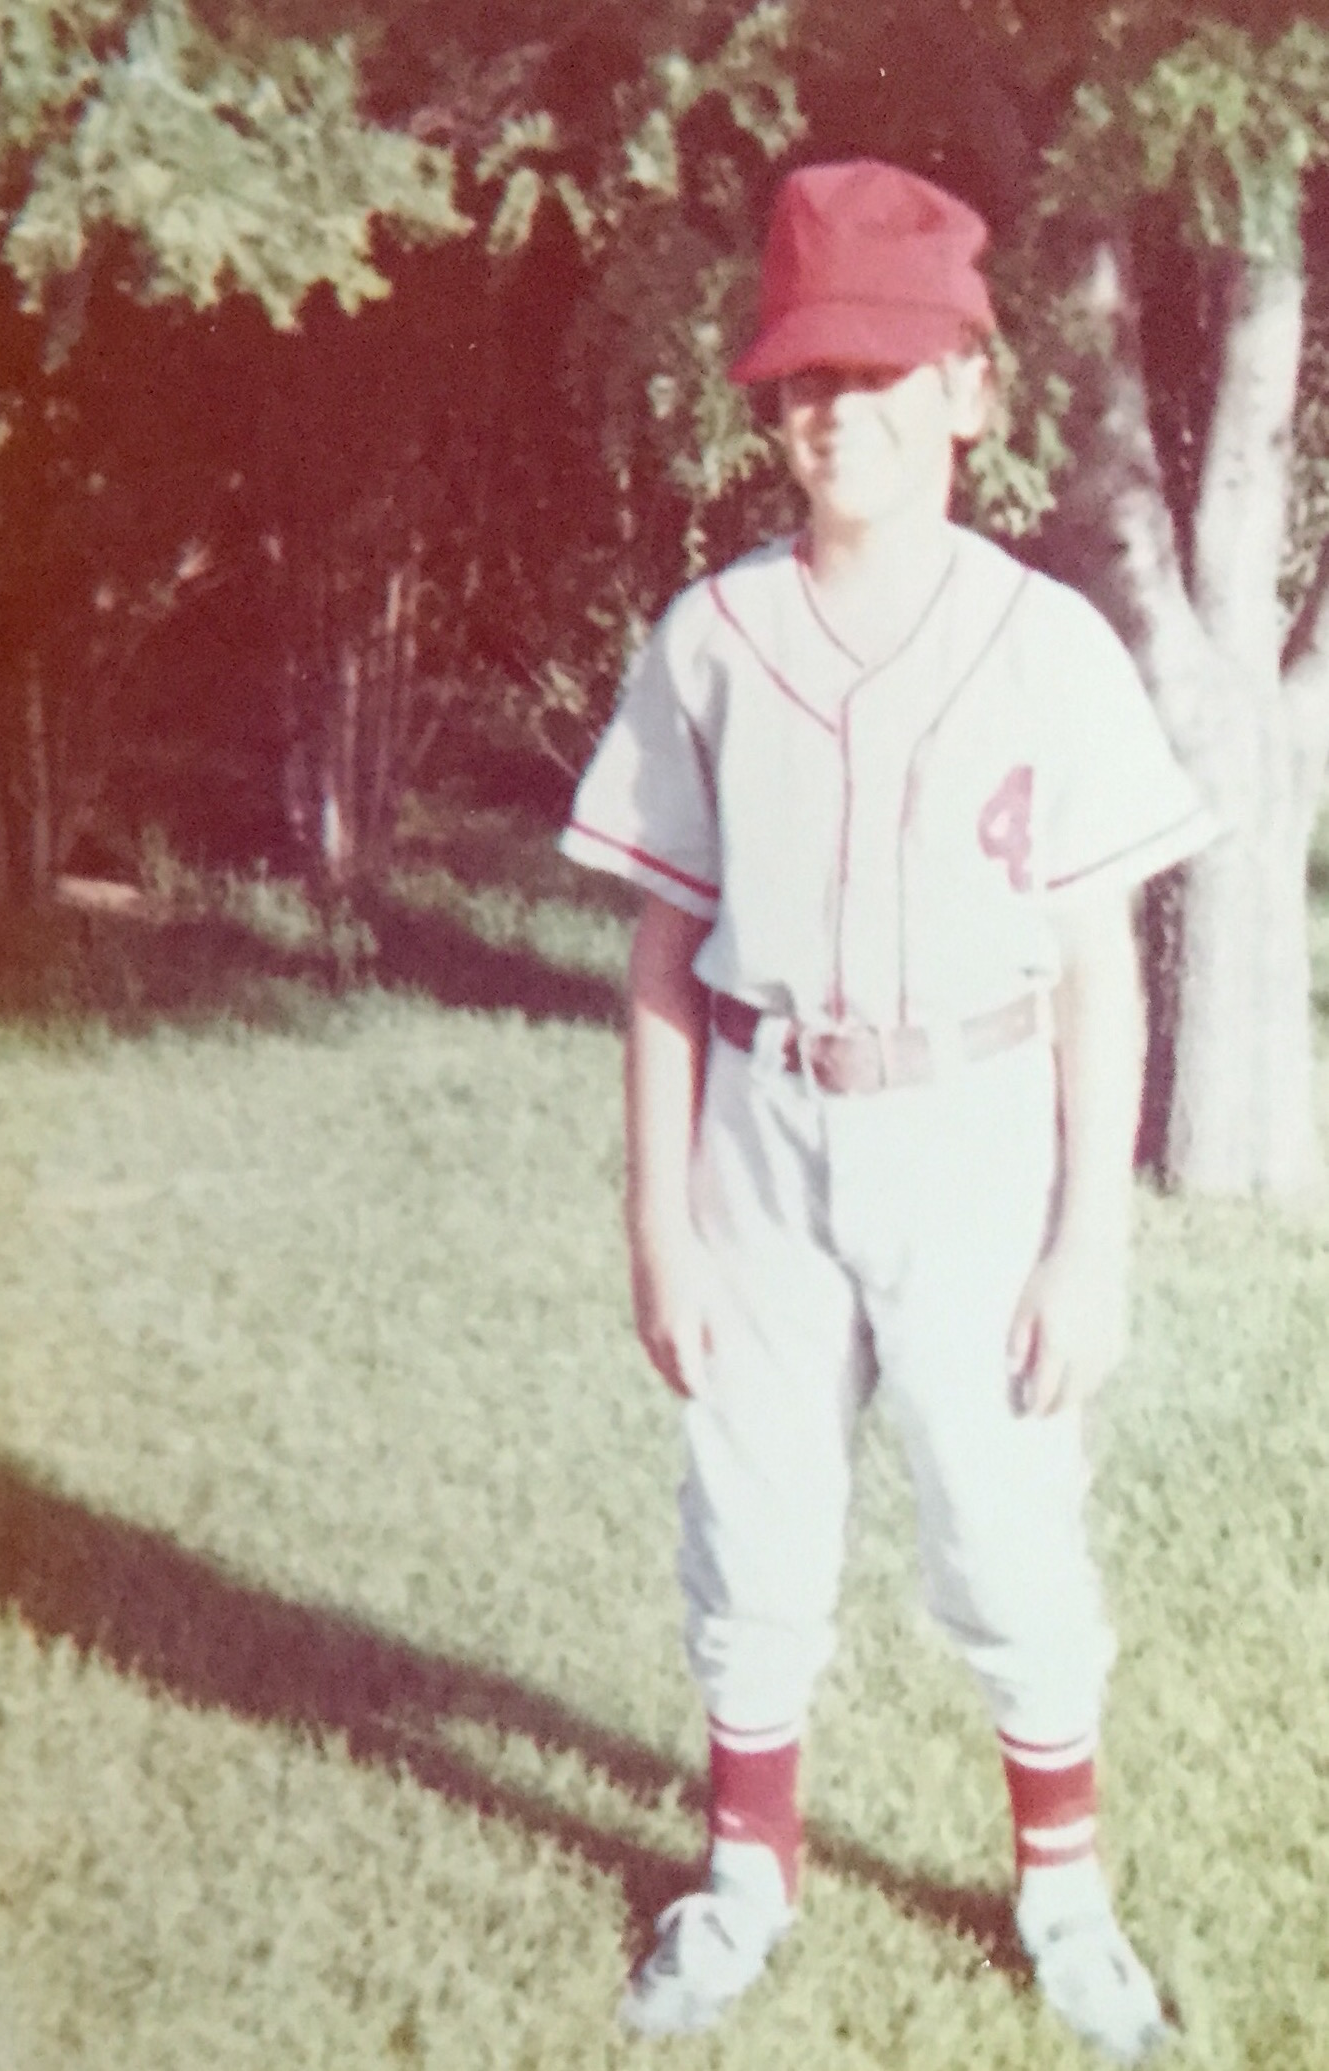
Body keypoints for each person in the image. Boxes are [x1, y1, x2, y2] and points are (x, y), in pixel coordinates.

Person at [560, 161, 1213, 2061]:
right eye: (801, 378)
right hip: (764, 1127)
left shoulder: (1049, 642)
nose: (834, 410)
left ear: (972, 391)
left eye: (878, 369)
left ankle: (1067, 1896)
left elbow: (1102, 965)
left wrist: (1092, 1243)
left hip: (977, 1123)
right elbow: (668, 955)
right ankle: (745, 1873)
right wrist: (660, 1219)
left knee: (1007, 1524)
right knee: (752, 1524)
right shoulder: (711, 635)